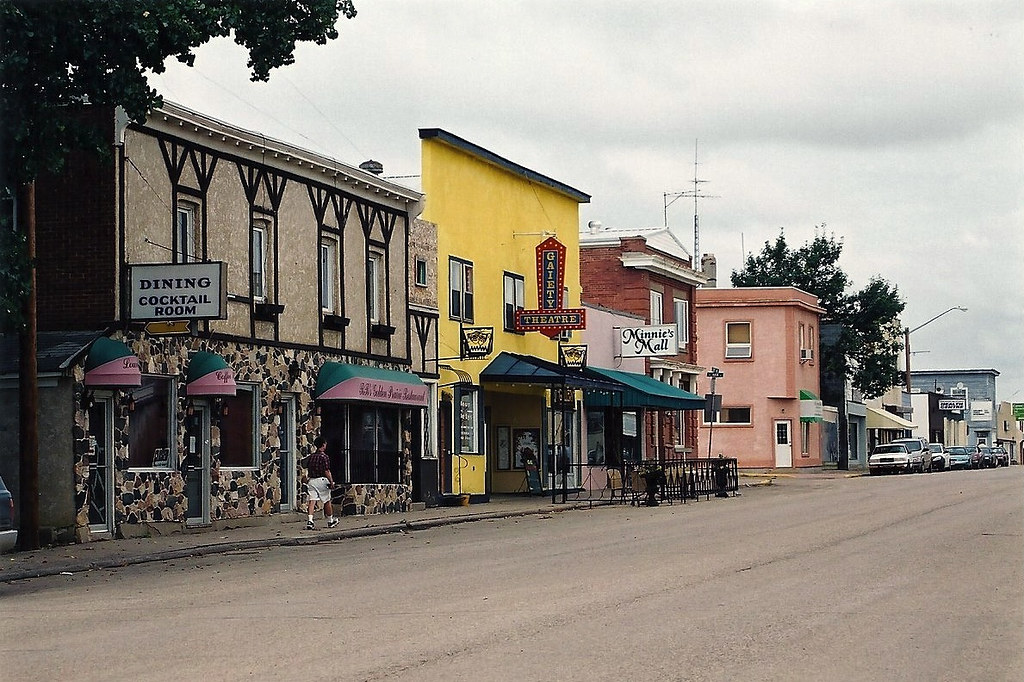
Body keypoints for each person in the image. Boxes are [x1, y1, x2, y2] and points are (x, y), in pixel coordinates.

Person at [306, 436, 338, 530]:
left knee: (312, 500)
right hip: (322, 480)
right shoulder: (324, 457)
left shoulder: (311, 456)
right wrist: (331, 482)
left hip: (312, 480)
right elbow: (326, 471)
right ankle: (330, 520)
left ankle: (310, 520)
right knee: (326, 500)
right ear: (323, 445)